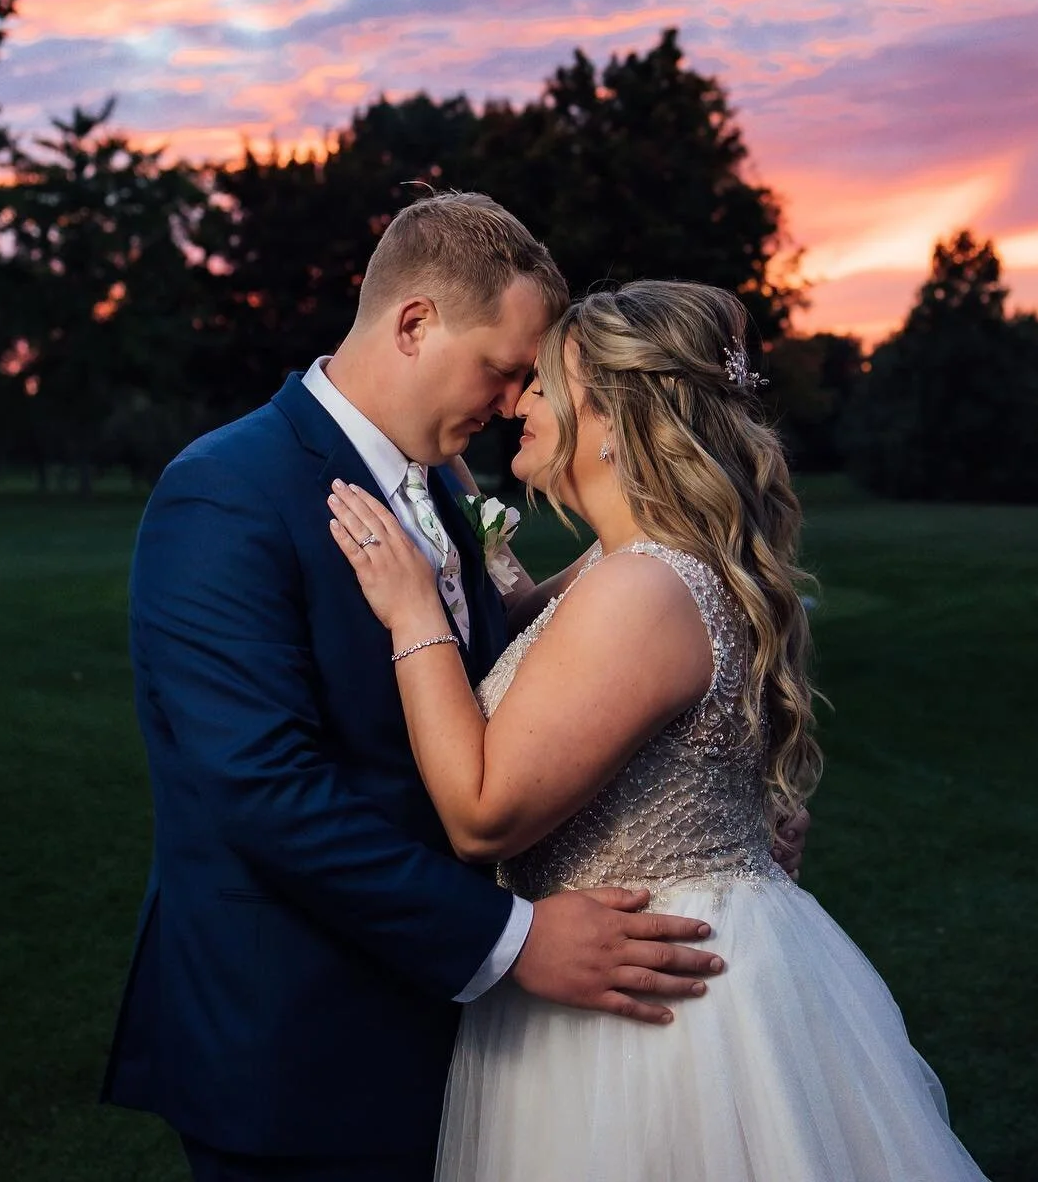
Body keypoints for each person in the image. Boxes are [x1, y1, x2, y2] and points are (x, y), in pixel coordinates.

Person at [102, 195, 732, 1182]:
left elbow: (528, 687)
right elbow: (263, 791)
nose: (521, 400)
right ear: (414, 323)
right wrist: (513, 940)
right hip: (297, 1046)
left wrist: (720, 796)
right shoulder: (226, 491)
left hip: (444, 1030)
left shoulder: (443, 487)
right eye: (505, 368)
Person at [328, 277, 991, 1182]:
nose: (517, 401)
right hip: (655, 957)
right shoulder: (631, 564)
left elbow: (482, 815)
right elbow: (541, 642)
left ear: (612, 415)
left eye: (545, 385)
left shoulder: (642, 589)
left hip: (646, 1009)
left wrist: (414, 617)